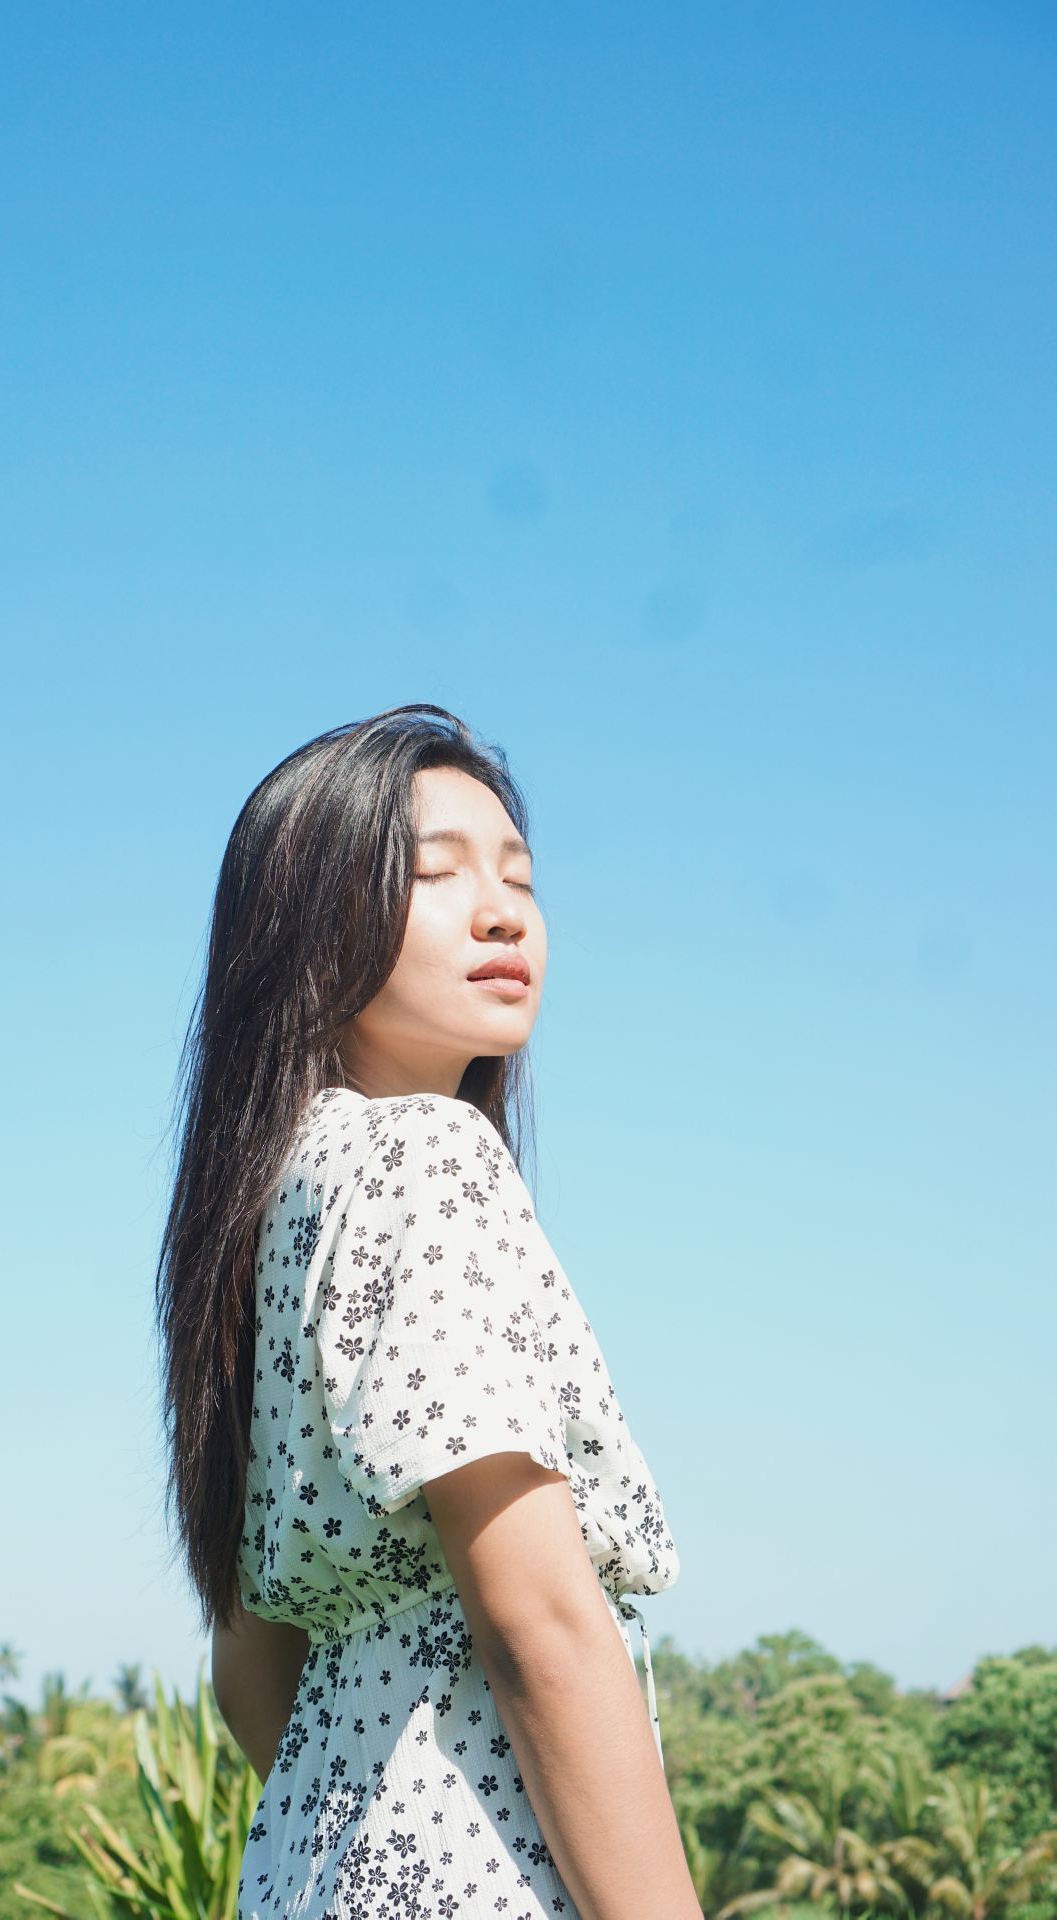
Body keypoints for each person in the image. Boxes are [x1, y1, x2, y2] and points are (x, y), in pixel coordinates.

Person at [155, 703, 703, 1920]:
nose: (503, 911)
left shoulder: (264, 1215)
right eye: (434, 875)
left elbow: (250, 1673)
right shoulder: (427, 1161)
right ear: (304, 933)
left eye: (517, 877)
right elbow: (540, 1625)